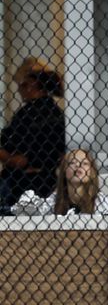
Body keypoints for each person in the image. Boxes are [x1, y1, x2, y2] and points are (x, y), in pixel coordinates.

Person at [0, 58, 66, 210]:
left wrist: (5, 155)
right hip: (47, 181)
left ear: (33, 86)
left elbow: (19, 160)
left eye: (23, 85)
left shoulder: (28, 115)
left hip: (20, 183)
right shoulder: (55, 112)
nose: (19, 90)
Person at [16, 148, 108, 215]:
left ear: (91, 171)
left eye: (85, 163)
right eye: (73, 162)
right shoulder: (53, 202)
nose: (78, 165)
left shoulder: (101, 203)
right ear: (64, 170)